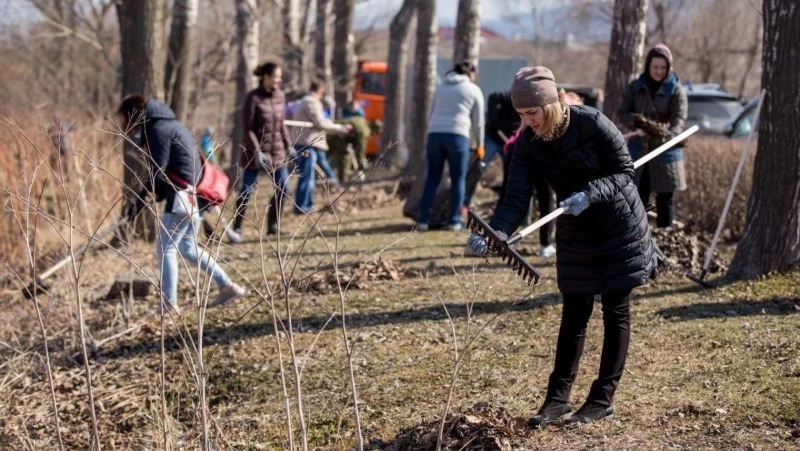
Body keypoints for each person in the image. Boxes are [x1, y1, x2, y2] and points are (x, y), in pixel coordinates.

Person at [466, 66, 663, 426]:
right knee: (574, 312)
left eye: (532, 113)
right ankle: (556, 400)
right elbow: (515, 197)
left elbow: (624, 172)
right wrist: (494, 233)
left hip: (618, 223)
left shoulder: (593, 123)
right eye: (521, 115)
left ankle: (601, 399)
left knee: (615, 308)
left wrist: (590, 193)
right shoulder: (527, 141)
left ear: (552, 103)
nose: (527, 121)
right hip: (575, 227)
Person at [117, 95, 247, 314]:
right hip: (191, 196)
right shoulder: (171, 125)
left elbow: (158, 170)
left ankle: (168, 304)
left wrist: (136, 205)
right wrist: (152, 195)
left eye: (126, 120)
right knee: (188, 248)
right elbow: (169, 170)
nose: (126, 127)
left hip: (182, 198)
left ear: (134, 116)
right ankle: (227, 286)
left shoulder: (159, 129)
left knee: (165, 249)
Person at [618, 43, 688, 228]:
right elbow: (623, 112)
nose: (659, 71)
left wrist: (667, 133)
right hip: (639, 147)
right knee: (638, 195)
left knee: (666, 197)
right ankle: (638, 238)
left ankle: (666, 237)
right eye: (655, 67)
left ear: (669, 68)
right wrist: (637, 126)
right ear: (648, 66)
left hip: (666, 150)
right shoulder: (636, 86)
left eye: (663, 68)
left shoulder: (676, 90)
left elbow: (679, 119)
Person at [416, 61, 485, 231]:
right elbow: (478, 123)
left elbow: (431, 112)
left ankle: (423, 220)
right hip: (458, 136)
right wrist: (480, 144)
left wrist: (429, 136)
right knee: (458, 179)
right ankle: (454, 220)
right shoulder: (473, 89)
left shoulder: (441, 86)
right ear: (471, 73)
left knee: (432, 178)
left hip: (434, 135)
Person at [232, 61, 292, 237]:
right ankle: (236, 227)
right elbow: (248, 128)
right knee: (247, 192)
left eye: (279, 77)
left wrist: (288, 145)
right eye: (275, 76)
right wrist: (257, 151)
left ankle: (273, 226)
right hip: (255, 154)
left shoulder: (280, 96)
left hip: (277, 152)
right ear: (265, 77)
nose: (278, 80)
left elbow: (281, 124)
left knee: (284, 189)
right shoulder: (253, 98)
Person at [291, 80, 350, 213]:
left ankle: (306, 204)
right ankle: (303, 206)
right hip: (307, 143)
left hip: (306, 142)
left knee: (308, 175)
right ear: (320, 91)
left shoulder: (305, 101)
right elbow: (320, 122)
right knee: (306, 176)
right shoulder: (311, 101)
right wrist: (340, 128)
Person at [327, 100, 371, 182]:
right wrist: (361, 164)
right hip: (339, 133)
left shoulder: (360, 118)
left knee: (343, 154)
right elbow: (361, 149)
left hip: (340, 132)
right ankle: (340, 177)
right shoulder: (363, 130)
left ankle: (342, 176)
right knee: (342, 154)